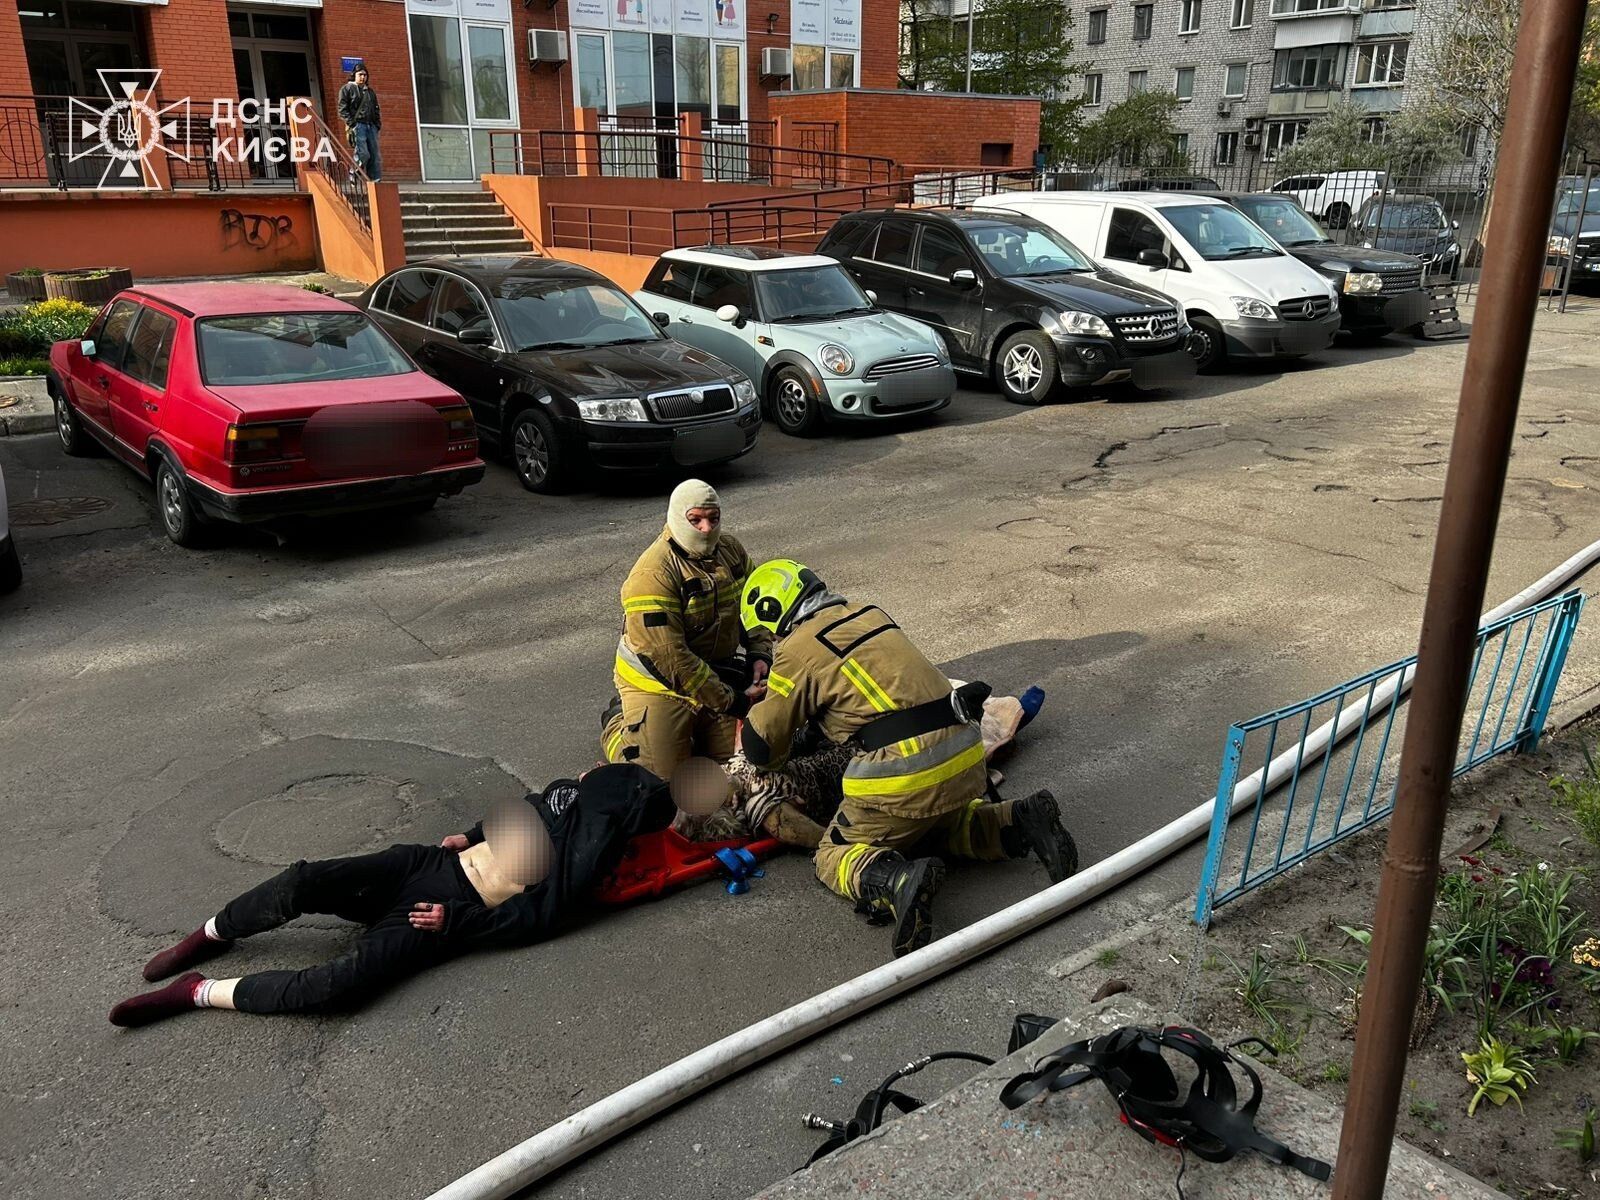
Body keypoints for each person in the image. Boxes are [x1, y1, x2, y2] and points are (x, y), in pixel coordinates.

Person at [108, 764, 676, 1026]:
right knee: (305, 880)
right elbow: (523, 808)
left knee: (336, 986)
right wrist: (473, 834)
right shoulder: (569, 792)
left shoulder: (591, 847)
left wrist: (455, 923)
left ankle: (198, 992)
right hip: (427, 863)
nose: (586, 775)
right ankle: (210, 934)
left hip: (441, 911)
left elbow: (536, 917)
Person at [737, 559, 1079, 958]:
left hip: (905, 770)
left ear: (772, 611)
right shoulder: (869, 613)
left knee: (832, 857)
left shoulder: (797, 650)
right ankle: (1020, 820)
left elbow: (761, 747)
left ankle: (895, 881)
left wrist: (761, 710)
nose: (771, 640)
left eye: (766, 631)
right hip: (967, 752)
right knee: (930, 827)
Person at [603, 479, 772, 778]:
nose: (706, 528)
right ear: (678, 518)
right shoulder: (653, 572)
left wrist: (760, 654)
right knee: (660, 784)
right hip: (659, 683)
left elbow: (754, 605)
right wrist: (733, 700)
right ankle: (619, 725)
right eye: (695, 520)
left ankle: (690, 730)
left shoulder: (731, 550)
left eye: (713, 518)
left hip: (714, 674)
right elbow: (671, 659)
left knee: (740, 766)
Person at [337, 64, 382, 182]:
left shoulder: (370, 91)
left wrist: (377, 124)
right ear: (354, 75)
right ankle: (354, 171)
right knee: (363, 153)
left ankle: (375, 181)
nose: (363, 77)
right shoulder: (347, 89)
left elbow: (376, 108)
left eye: (365, 75)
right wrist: (352, 123)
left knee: (375, 155)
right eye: (360, 74)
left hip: (371, 125)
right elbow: (342, 109)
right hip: (358, 125)